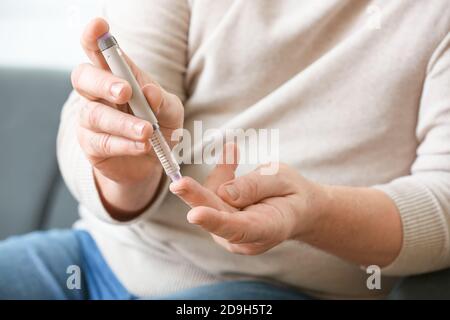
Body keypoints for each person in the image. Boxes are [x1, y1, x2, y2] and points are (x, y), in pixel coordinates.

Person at [1, 0, 449, 299]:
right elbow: (95, 116)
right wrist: (126, 172)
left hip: (271, 291)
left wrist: (314, 212)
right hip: (97, 257)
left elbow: (443, 202)